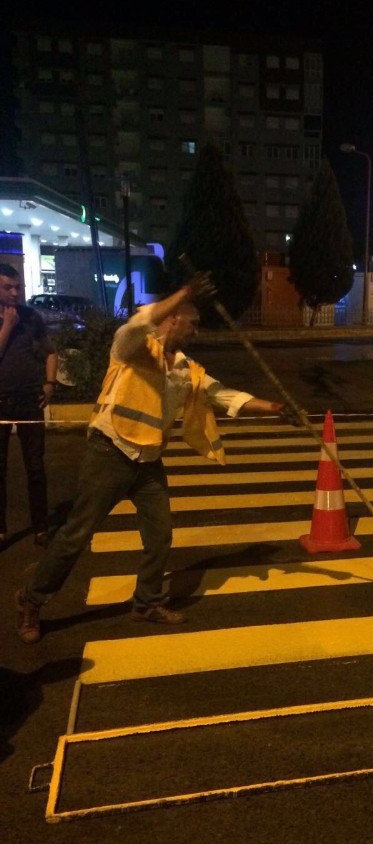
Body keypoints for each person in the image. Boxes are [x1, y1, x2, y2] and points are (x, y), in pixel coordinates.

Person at [16, 275, 288, 643]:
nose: (195, 332)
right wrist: (185, 293)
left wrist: (272, 407)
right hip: (109, 453)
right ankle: (32, 599)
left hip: (148, 461)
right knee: (75, 536)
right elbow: (139, 322)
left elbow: (225, 395)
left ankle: (146, 603)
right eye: (191, 323)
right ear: (173, 318)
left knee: (159, 537)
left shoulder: (185, 369)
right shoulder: (132, 348)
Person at [0, 263, 58, 549]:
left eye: (17, 287)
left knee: (35, 467)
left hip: (29, 400)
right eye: (7, 287)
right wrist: (7, 326)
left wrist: (50, 384)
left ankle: (41, 526)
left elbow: (50, 352)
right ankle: (1, 529)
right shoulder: (10, 320)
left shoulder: (32, 317)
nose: (14, 292)